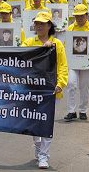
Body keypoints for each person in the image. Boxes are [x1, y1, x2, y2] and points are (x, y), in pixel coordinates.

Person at [22, 11, 68, 169]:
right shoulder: (28, 43)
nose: (39, 26)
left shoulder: (58, 44)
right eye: (37, 23)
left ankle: (44, 155)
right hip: (32, 89)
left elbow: (62, 66)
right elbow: (20, 60)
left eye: (42, 23)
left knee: (46, 122)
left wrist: (60, 83)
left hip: (50, 90)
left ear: (49, 25)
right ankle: (37, 145)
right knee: (34, 120)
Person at [64, 4, 89, 122]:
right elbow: (66, 46)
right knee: (71, 84)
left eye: (81, 16)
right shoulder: (70, 29)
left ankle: (83, 110)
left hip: (86, 63)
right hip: (72, 63)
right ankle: (71, 111)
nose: (78, 18)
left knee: (84, 86)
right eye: (76, 16)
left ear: (86, 15)